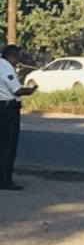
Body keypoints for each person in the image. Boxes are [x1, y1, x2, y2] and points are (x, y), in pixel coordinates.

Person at [0, 45, 36, 191]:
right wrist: (30, 90)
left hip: (2, 106)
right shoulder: (6, 68)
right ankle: (5, 179)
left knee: (2, 144)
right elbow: (16, 90)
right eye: (18, 57)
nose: (18, 60)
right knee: (8, 146)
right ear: (12, 56)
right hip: (9, 109)